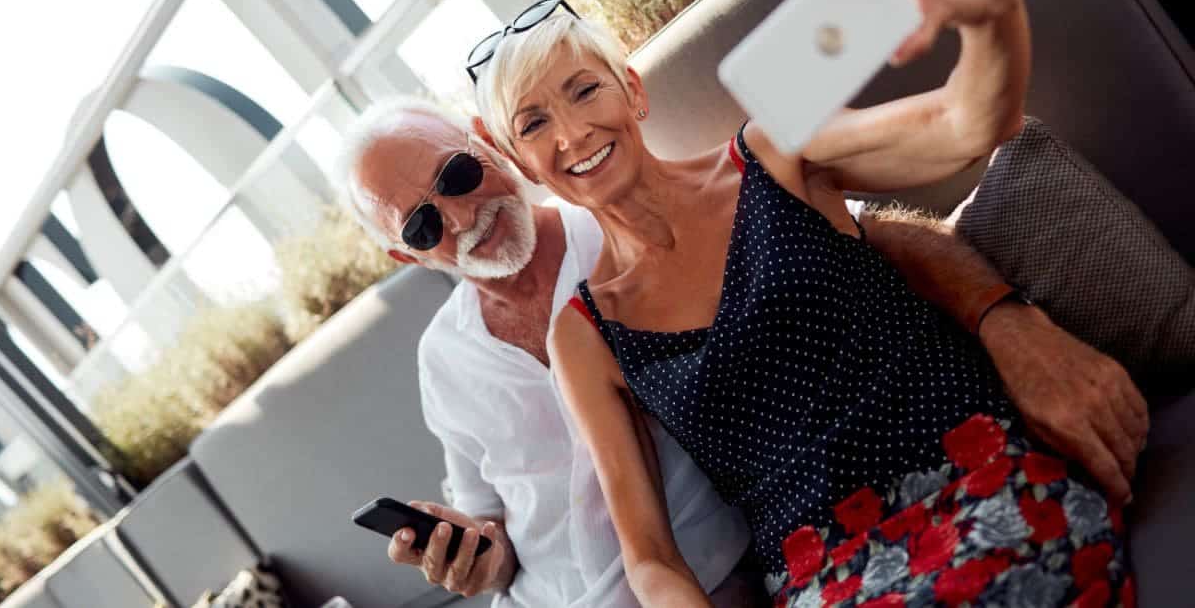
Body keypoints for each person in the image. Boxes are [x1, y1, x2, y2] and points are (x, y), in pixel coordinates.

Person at [473, 0, 1143, 607]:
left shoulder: (772, 148)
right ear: (523, 162)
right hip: (824, 577)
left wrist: (991, 11)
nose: (573, 134)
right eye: (535, 123)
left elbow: (968, 124)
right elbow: (650, 561)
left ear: (632, 92)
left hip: (978, 486)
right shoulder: (582, 335)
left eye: (585, 90)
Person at [335, 94, 1145, 605]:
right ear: (406, 257)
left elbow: (863, 242)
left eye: (457, 173)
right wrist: (471, 555)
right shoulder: (443, 362)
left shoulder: (621, 220)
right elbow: (486, 525)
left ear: (490, 143)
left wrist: (1010, 322)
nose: (461, 214)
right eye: (421, 223)